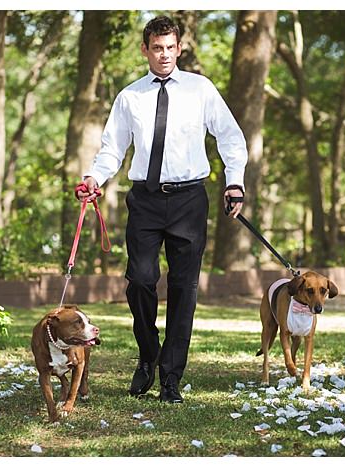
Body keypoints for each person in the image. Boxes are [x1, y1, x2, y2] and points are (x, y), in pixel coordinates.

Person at [78, 16, 248, 403]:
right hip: (146, 199)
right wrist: (94, 179)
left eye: (171, 47)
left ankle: (171, 378)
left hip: (189, 199)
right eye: (158, 48)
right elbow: (112, 148)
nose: (165, 54)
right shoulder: (130, 96)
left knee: (183, 289)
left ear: (180, 48)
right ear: (145, 50)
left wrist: (234, 181)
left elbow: (230, 136)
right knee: (139, 279)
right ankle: (148, 355)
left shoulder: (200, 90)